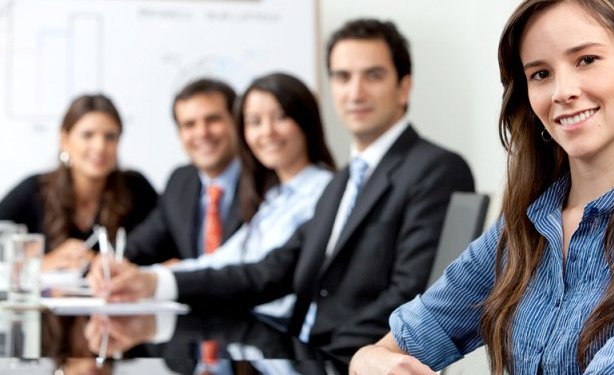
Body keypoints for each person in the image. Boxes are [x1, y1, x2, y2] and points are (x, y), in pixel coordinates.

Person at [349, 0, 614, 374]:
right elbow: (391, 346)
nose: (562, 91)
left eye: (586, 59)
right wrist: (374, 362)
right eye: (540, 74)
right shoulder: (524, 226)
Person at [91, 18, 475, 360]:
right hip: (294, 352)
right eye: (342, 77)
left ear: (403, 87)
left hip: (345, 359)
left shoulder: (436, 168)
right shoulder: (344, 180)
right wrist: (156, 282)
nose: (355, 92)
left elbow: (412, 298)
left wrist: (330, 357)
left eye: (372, 75)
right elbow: (269, 272)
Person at [142, 72, 336, 320]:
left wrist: (161, 280)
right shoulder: (273, 196)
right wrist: (150, 276)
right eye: (254, 122)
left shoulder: (327, 191)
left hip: (292, 334)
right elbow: (227, 258)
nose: (267, 132)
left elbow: (265, 273)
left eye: (280, 117)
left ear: (306, 120)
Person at [0, 94, 157, 270]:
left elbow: (165, 249)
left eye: (110, 137)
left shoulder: (136, 188)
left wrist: (99, 263)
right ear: (64, 140)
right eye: (87, 135)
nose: (100, 146)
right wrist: (42, 262)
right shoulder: (35, 189)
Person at [122, 78, 243, 265]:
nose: (202, 133)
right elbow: (139, 247)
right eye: (189, 125)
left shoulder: (263, 180)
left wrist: (179, 276)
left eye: (213, 119)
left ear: (236, 122)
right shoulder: (180, 181)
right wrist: (104, 264)